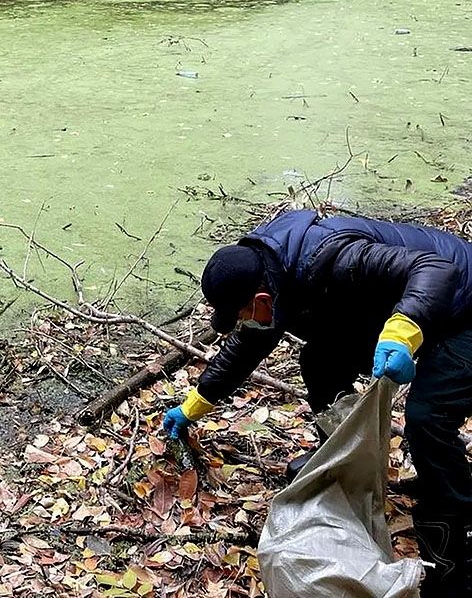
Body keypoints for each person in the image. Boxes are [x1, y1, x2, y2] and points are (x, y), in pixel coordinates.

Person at [162, 209, 472, 596]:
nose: (243, 324)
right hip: (406, 304)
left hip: (461, 303)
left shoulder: (335, 258)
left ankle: (452, 554)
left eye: (242, 315)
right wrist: (191, 407)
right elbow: (245, 348)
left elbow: (436, 269)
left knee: (428, 418)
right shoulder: (274, 277)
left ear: (259, 298)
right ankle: (339, 458)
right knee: (320, 361)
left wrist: (402, 331)